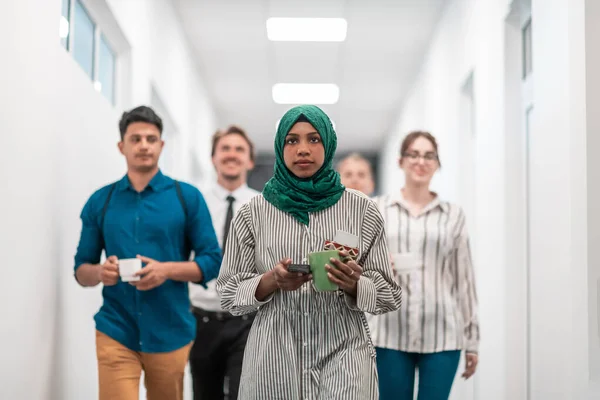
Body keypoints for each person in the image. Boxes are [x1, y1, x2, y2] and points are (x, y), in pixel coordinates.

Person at [216, 104, 402, 400]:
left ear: (328, 144)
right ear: (280, 146)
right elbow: (227, 293)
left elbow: (390, 295)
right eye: (292, 140)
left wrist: (354, 283)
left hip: (344, 350)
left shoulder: (362, 210)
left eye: (314, 139)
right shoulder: (253, 213)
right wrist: (271, 281)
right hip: (274, 354)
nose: (303, 149)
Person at [73, 105, 222, 400]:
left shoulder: (187, 198)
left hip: (171, 332)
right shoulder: (100, 202)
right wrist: (101, 272)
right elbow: (81, 270)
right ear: (121, 146)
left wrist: (165, 270)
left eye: (151, 139)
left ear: (161, 145)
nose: (144, 145)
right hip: (115, 329)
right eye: (136, 139)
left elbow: (212, 261)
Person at [368, 131, 479, 400]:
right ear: (401, 161)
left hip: (442, 333)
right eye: (414, 154)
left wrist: (472, 340)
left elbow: (463, 278)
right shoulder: (377, 209)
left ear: (437, 163)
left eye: (429, 156)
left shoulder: (452, 215)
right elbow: (359, 264)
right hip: (388, 332)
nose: (421, 161)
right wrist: (379, 265)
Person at [189, 125, 260, 400]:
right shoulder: (195, 203)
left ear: (250, 160)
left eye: (239, 149)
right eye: (225, 148)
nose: (232, 154)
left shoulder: (263, 204)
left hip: (248, 321)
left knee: (245, 395)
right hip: (202, 319)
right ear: (213, 157)